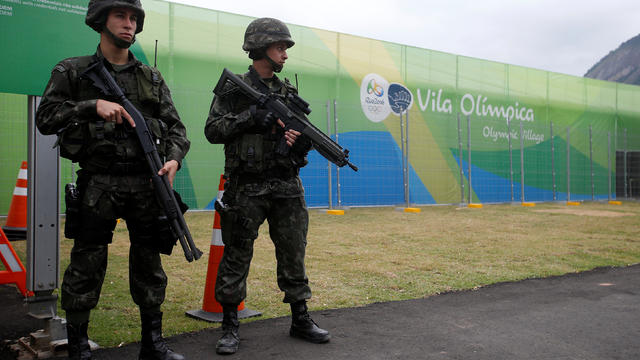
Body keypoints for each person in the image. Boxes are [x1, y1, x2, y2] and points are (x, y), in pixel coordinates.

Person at [35, 1, 190, 359]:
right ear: (100, 20)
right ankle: (78, 347)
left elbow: (177, 129)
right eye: (121, 16)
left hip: (146, 185)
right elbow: (46, 118)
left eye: (134, 18)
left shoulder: (150, 77)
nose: (129, 24)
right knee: (86, 264)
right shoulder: (73, 71)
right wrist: (92, 106)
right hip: (99, 184)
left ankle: (153, 344)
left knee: (150, 265)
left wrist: (173, 160)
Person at [204, 17, 330, 355]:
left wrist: (299, 143)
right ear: (259, 48)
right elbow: (212, 130)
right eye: (279, 47)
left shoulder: (288, 92)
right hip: (246, 186)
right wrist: (250, 118)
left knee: (294, 251)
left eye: (286, 48)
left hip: (286, 184)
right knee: (236, 254)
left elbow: (299, 141)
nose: (285, 54)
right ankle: (230, 324)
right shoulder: (234, 88)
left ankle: (300, 317)